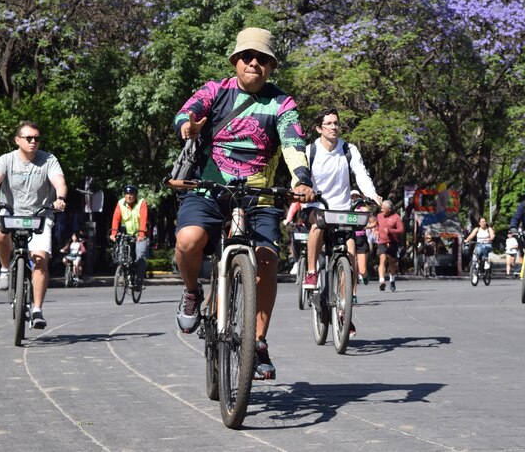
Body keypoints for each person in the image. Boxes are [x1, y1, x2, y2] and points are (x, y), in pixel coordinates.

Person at [172, 27, 315, 381]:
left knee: (267, 260)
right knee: (187, 241)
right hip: (208, 189)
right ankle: (192, 292)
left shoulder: (282, 104)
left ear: (271, 67)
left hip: (258, 197)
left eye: (263, 59)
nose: (254, 63)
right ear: (235, 61)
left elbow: (293, 142)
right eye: (248, 57)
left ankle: (259, 341)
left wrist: (301, 179)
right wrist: (187, 128)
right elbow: (186, 114)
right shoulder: (215, 90)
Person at [0, 120, 67, 329]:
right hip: (11, 211)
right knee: (1, 234)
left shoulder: (48, 160)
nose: (33, 142)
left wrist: (60, 197)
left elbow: (59, 181)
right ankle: (4, 269)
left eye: (36, 138)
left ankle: (37, 309)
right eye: (28, 138)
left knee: (39, 259)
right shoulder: (6, 160)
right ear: (17, 140)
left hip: (40, 214)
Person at [301, 109, 381, 312]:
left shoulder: (348, 149)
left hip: (343, 210)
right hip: (316, 207)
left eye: (336, 123)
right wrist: (303, 190)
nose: (333, 127)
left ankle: (344, 312)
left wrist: (372, 193)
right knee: (317, 225)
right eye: (328, 123)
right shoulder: (310, 151)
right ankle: (311, 271)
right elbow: (300, 177)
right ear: (319, 128)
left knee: (351, 255)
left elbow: (361, 174)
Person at [109, 185, 148, 288]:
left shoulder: (141, 203)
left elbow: (143, 219)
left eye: (131, 194)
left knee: (140, 257)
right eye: (127, 194)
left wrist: (141, 235)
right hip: (126, 234)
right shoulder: (120, 203)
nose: (129, 196)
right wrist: (113, 233)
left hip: (139, 235)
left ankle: (138, 282)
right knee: (122, 256)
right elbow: (116, 219)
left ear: (135, 195)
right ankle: (124, 275)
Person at [376, 200, 404, 291]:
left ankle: (392, 280)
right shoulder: (379, 216)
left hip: (393, 242)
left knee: (392, 261)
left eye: (383, 208)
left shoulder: (396, 217)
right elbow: (377, 225)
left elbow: (401, 230)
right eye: (381, 208)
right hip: (382, 241)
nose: (382, 210)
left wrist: (391, 231)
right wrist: (376, 231)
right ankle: (382, 281)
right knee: (382, 259)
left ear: (389, 209)